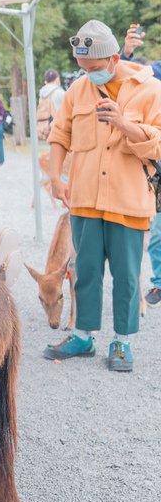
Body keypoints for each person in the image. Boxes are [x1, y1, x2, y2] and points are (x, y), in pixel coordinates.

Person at [44, 20, 161, 372]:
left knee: (127, 276)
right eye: (83, 68)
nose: (88, 75)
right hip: (84, 199)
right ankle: (83, 335)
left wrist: (124, 124)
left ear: (113, 57)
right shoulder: (79, 90)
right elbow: (59, 135)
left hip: (128, 200)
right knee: (86, 271)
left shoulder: (149, 88)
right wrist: (55, 177)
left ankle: (122, 342)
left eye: (94, 69)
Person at [120, 24, 161, 307]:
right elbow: (128, 76)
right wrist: (127, 53)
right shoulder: (156, 73)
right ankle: (159, 283)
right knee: (156, 236)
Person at [36, 69, 66, 143]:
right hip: (59, 127)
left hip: (46, 126)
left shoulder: (42, 93)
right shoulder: (60, 92)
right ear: (57, 79)